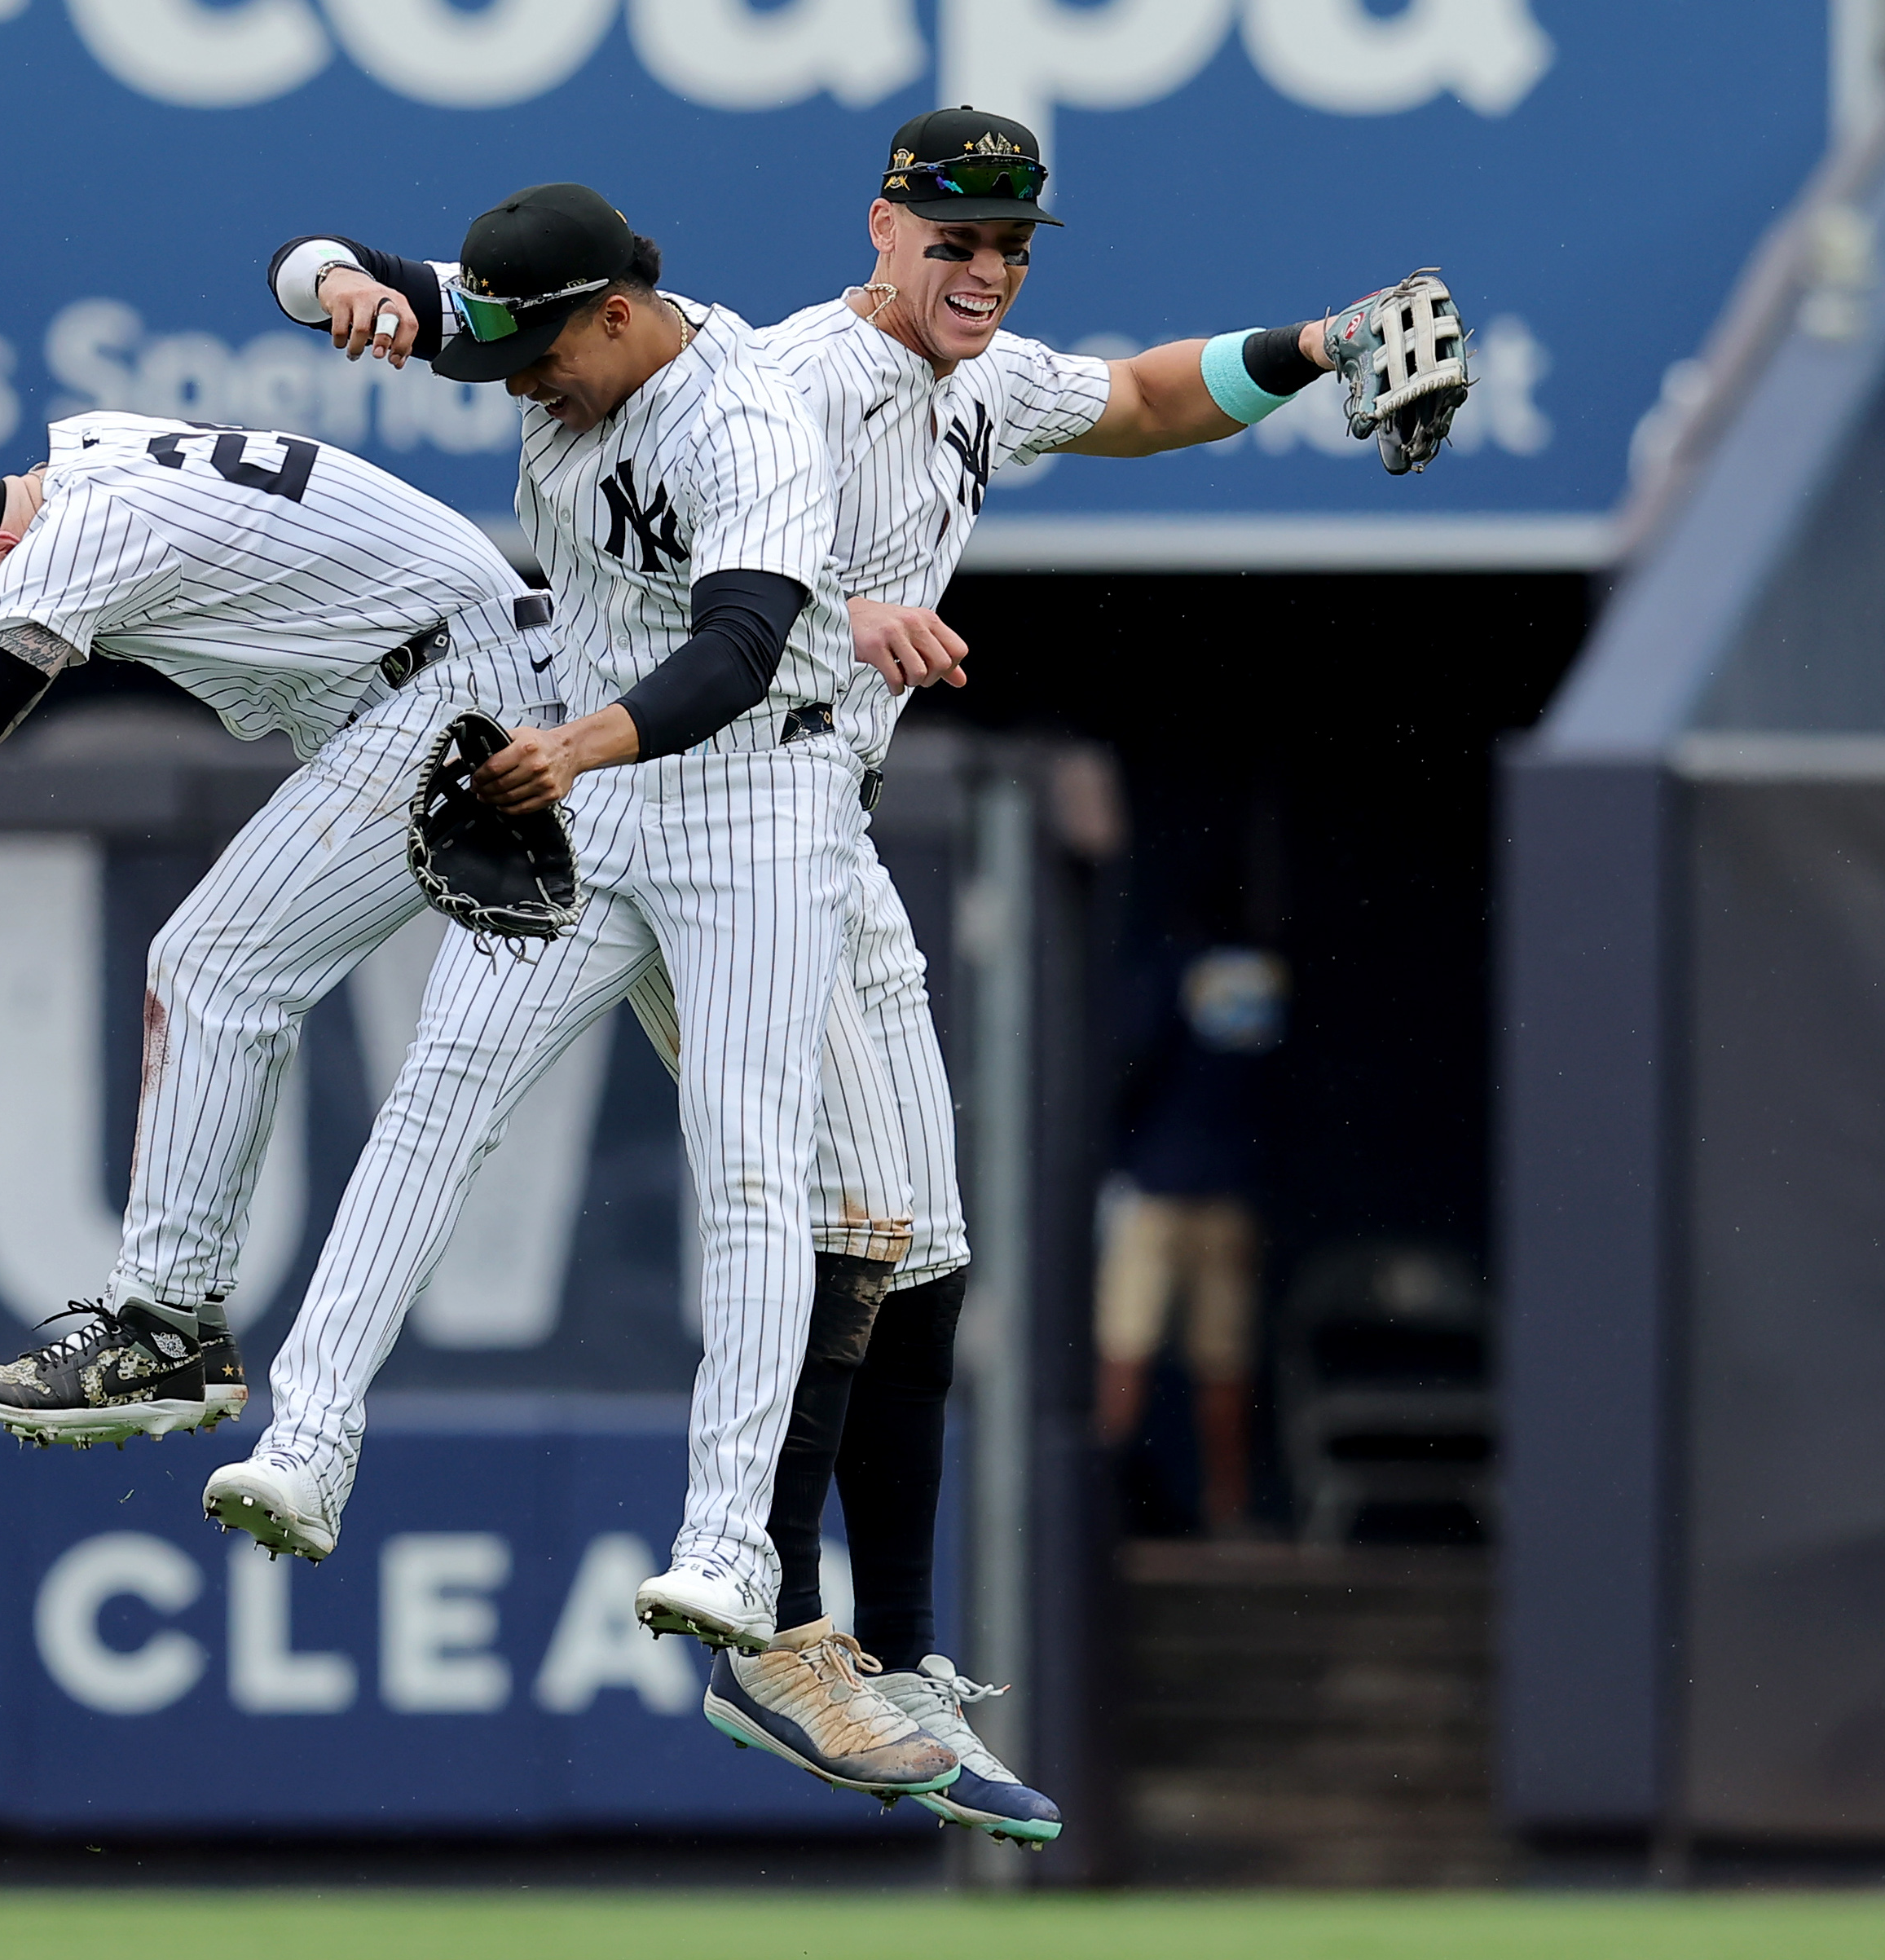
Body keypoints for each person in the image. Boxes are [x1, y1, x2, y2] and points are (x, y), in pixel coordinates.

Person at [293, 110, 1430, 1839]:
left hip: (825, 816)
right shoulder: (793, 371)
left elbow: (1134, 402)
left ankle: (889, 1653)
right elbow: (717, 540)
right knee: (827, 1222)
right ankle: (777, 1630)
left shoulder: (976, 380)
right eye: (952, 238)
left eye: (1008, 246)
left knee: (925, 1245)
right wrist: (845, 601)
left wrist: (1320, 345)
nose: (981, 271)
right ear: (881, 226)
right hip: (708, 804)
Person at [207, 183, 972, 1800]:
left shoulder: (744, 414)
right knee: (438, 1094)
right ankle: (306, 1442)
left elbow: (742, 645)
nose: (520, 381)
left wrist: (575, 746)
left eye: (541, 349)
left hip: (757, 799)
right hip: (598, 792)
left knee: (754, 1162)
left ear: (619, 310)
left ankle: (726, 1555)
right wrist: (338, 280)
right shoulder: (540, 328)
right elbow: (306, 258)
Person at [0, 419, 558, 1443]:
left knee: (214, 967)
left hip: (451, 693)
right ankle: (777, 1533)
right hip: (475, 665)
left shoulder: (82, 529)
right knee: (717, 1056)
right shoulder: (93, 464)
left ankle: (160, 1337)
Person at [1100, 918, 1288, 1535]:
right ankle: (1223, 1508)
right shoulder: (1264, 977)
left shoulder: (1175, 967)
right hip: (1225, 1186)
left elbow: (1130, 1057)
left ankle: (1105, 1504)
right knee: (1219, 1358)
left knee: (1132, 1348)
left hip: (1162, 1185)